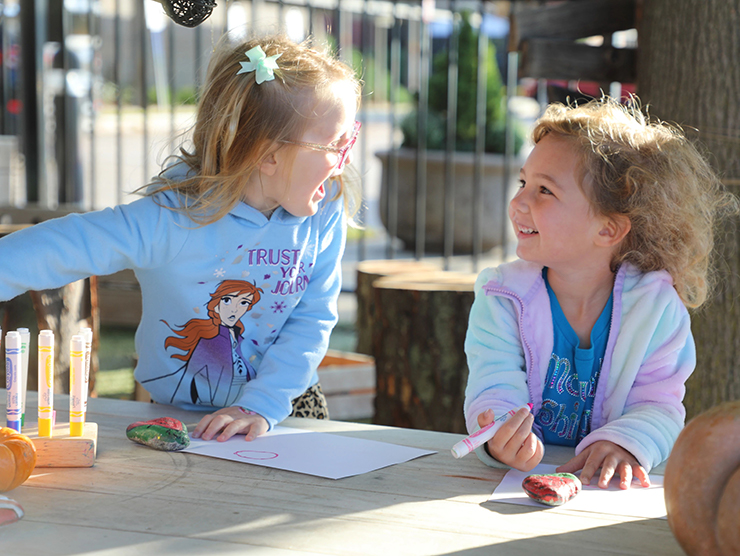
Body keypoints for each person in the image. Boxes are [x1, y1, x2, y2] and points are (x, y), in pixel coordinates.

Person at [0, 33, 362, 443]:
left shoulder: (326, 207)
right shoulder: (172, 217)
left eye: (350, 138)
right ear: (269, 155)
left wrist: (261, 404)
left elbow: (313, 318)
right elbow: (67, 246)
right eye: (335, 144)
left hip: (287, 407)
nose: (345, 160)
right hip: (176, 412)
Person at [463, 96, 735, 489]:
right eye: (524, 182)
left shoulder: (657, 310)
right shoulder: (501, 297)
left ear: (607, 230)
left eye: (545, 191)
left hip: (604, 494)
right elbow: (493, 384)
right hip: (512, 488)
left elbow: (659, 406)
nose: (518, 201)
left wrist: (624, 444)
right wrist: (500, 436)